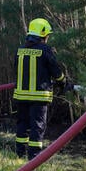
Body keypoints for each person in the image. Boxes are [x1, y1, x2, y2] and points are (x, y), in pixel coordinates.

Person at [13, 17, 71, 159]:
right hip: (39, 97)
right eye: (47, 36)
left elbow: (17, 70)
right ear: (43, 35)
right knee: (37, 127)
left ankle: (20, 153)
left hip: (21, 96)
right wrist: (63, 82)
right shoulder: (45, 50)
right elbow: (56, 72)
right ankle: (34, 157)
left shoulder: (20, 51)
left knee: (22, 124)